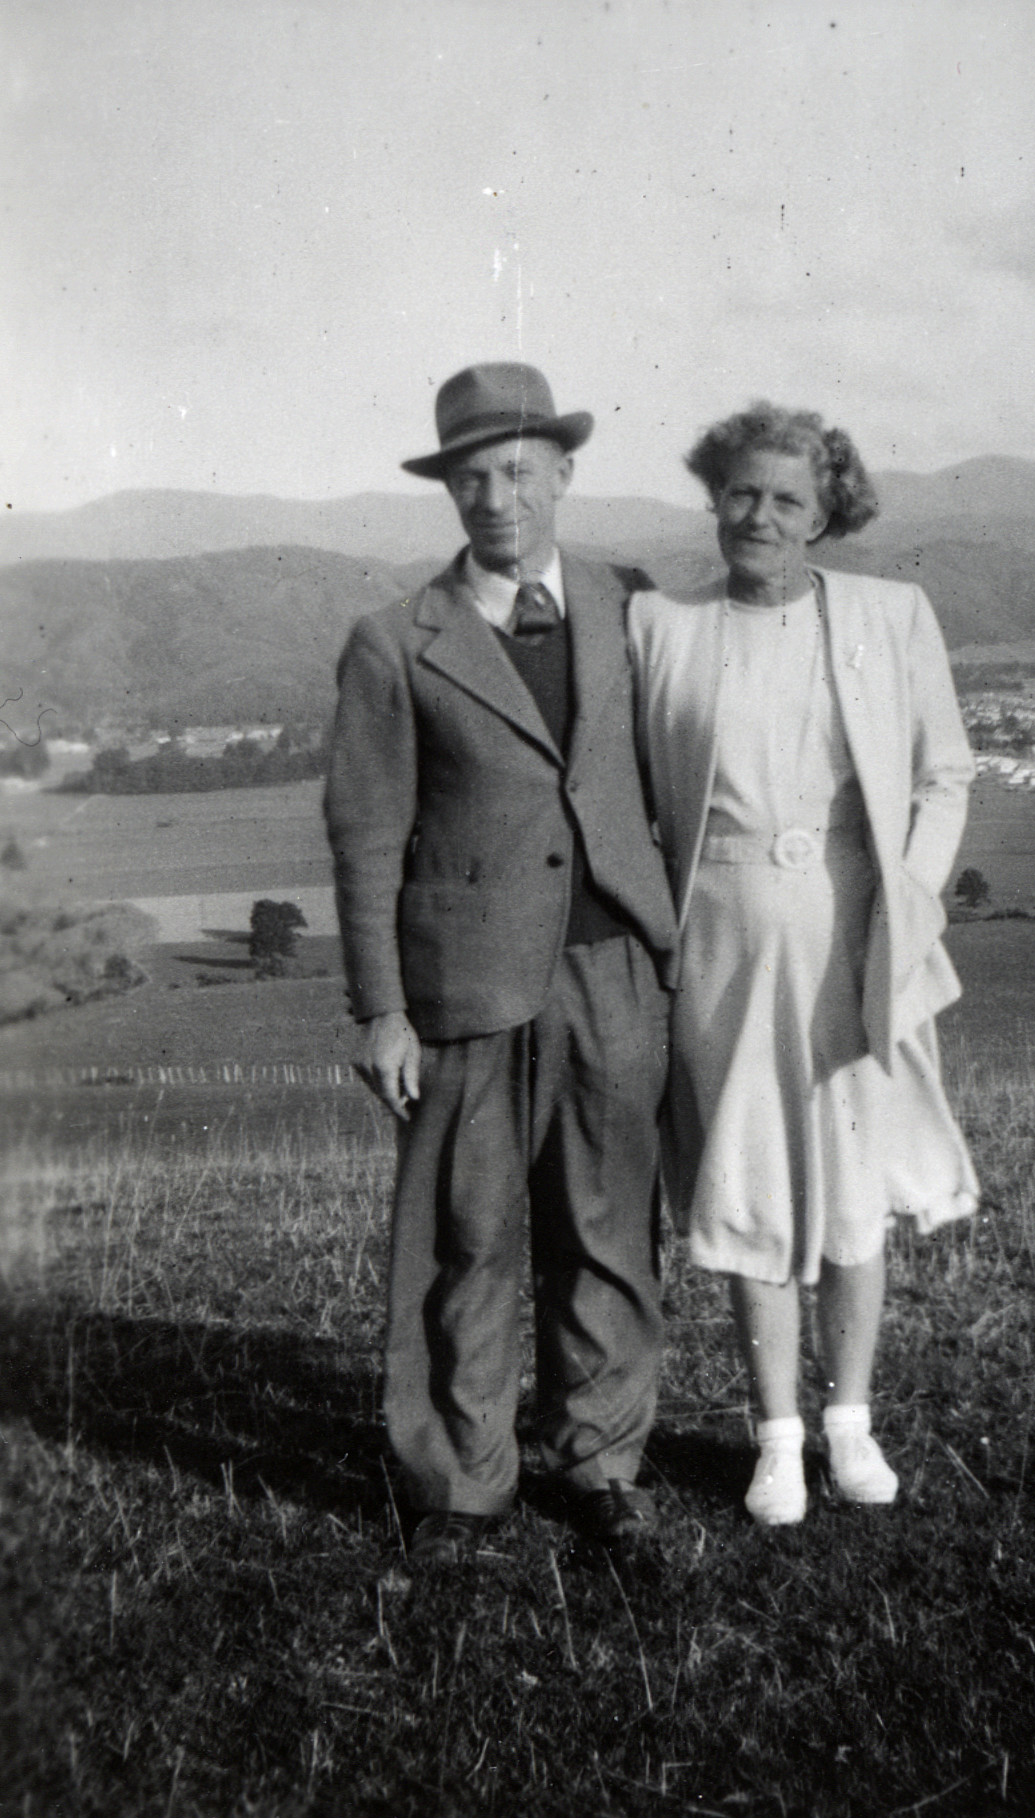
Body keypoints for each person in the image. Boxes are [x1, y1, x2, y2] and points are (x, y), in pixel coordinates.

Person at [325, 363, 678, 1561]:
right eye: (472, 476)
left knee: (610, 1229)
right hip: (464, 990)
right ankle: (460, 1488)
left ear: (566, 473)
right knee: (467, 1243)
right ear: (447, 490)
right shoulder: (393, 643)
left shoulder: (631, 604)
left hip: (616, 973)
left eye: (520, 470)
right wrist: (382, 1007)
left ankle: (600, 1461)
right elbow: (366, 834)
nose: (498, 497)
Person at [627, 402, 978, 1526]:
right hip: (721, 940)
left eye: (786, 498)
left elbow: (944, 773)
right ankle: (774, 1435)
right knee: (750, 1177)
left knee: (852, 1184)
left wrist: (911, 901)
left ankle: (849, 1421)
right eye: (740, 492)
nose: (759, 515)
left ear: (826, 513)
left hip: (855, 931)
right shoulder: (659, 627)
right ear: (712, 498)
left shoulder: (891, 613)